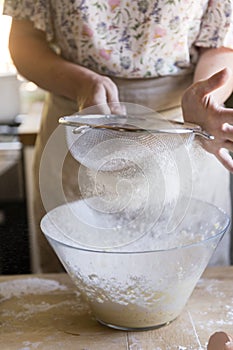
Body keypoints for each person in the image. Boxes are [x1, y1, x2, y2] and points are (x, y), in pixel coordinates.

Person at [3, 0, 233, 272]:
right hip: (78, 125)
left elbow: (222, 43)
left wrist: (206, 97)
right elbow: (24, 41)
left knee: (190, 286)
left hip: (182, 129)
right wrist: (82, 85)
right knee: (76, 292)